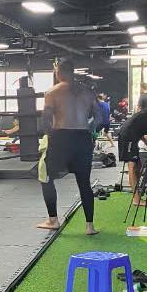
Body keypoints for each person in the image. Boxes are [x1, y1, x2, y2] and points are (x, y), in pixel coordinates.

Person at [35, 63, 98, 234]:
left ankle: (53, 220)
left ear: (59, 73)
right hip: (83, 137)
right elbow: (99, 118)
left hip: (61, 136)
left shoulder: (52, 92)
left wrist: (50, 136)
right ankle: (90, 226)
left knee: (46, 177)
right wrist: (89, 131)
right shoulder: (87, 92)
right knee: (84, 182)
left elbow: (46, 120)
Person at [117, 105, 147, 202]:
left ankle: (137, 193)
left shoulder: (143, 118)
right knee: (132, 167)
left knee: (138, 166)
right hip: (128, 136)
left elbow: (140, 131)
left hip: (131, 136)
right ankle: (136, 199)